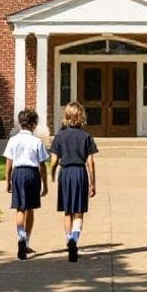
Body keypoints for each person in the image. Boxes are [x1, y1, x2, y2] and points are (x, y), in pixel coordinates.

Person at [48, 101, 98, 262]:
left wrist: (52, 174)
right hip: (79, 173)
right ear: (81, 117)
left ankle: (69, 237)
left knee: (67, 211)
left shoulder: (59, 136)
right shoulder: (86, 137)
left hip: (66, 173)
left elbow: (54, 160)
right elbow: (90, 162)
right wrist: (93, 183)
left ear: (66, 117)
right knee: (79, 211)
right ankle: (74, 239)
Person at [3, 108, 49, 260]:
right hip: (32, 174)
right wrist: (45, 183)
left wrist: (8, 181)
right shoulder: (36, 141)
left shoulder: (13, 140)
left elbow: (9, 163)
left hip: (18, 173)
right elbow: (42, 164)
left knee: (20, 209)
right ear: (34, 124)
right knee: (30, 208)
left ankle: (21, 237)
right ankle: (26, 240)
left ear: (20, 123)